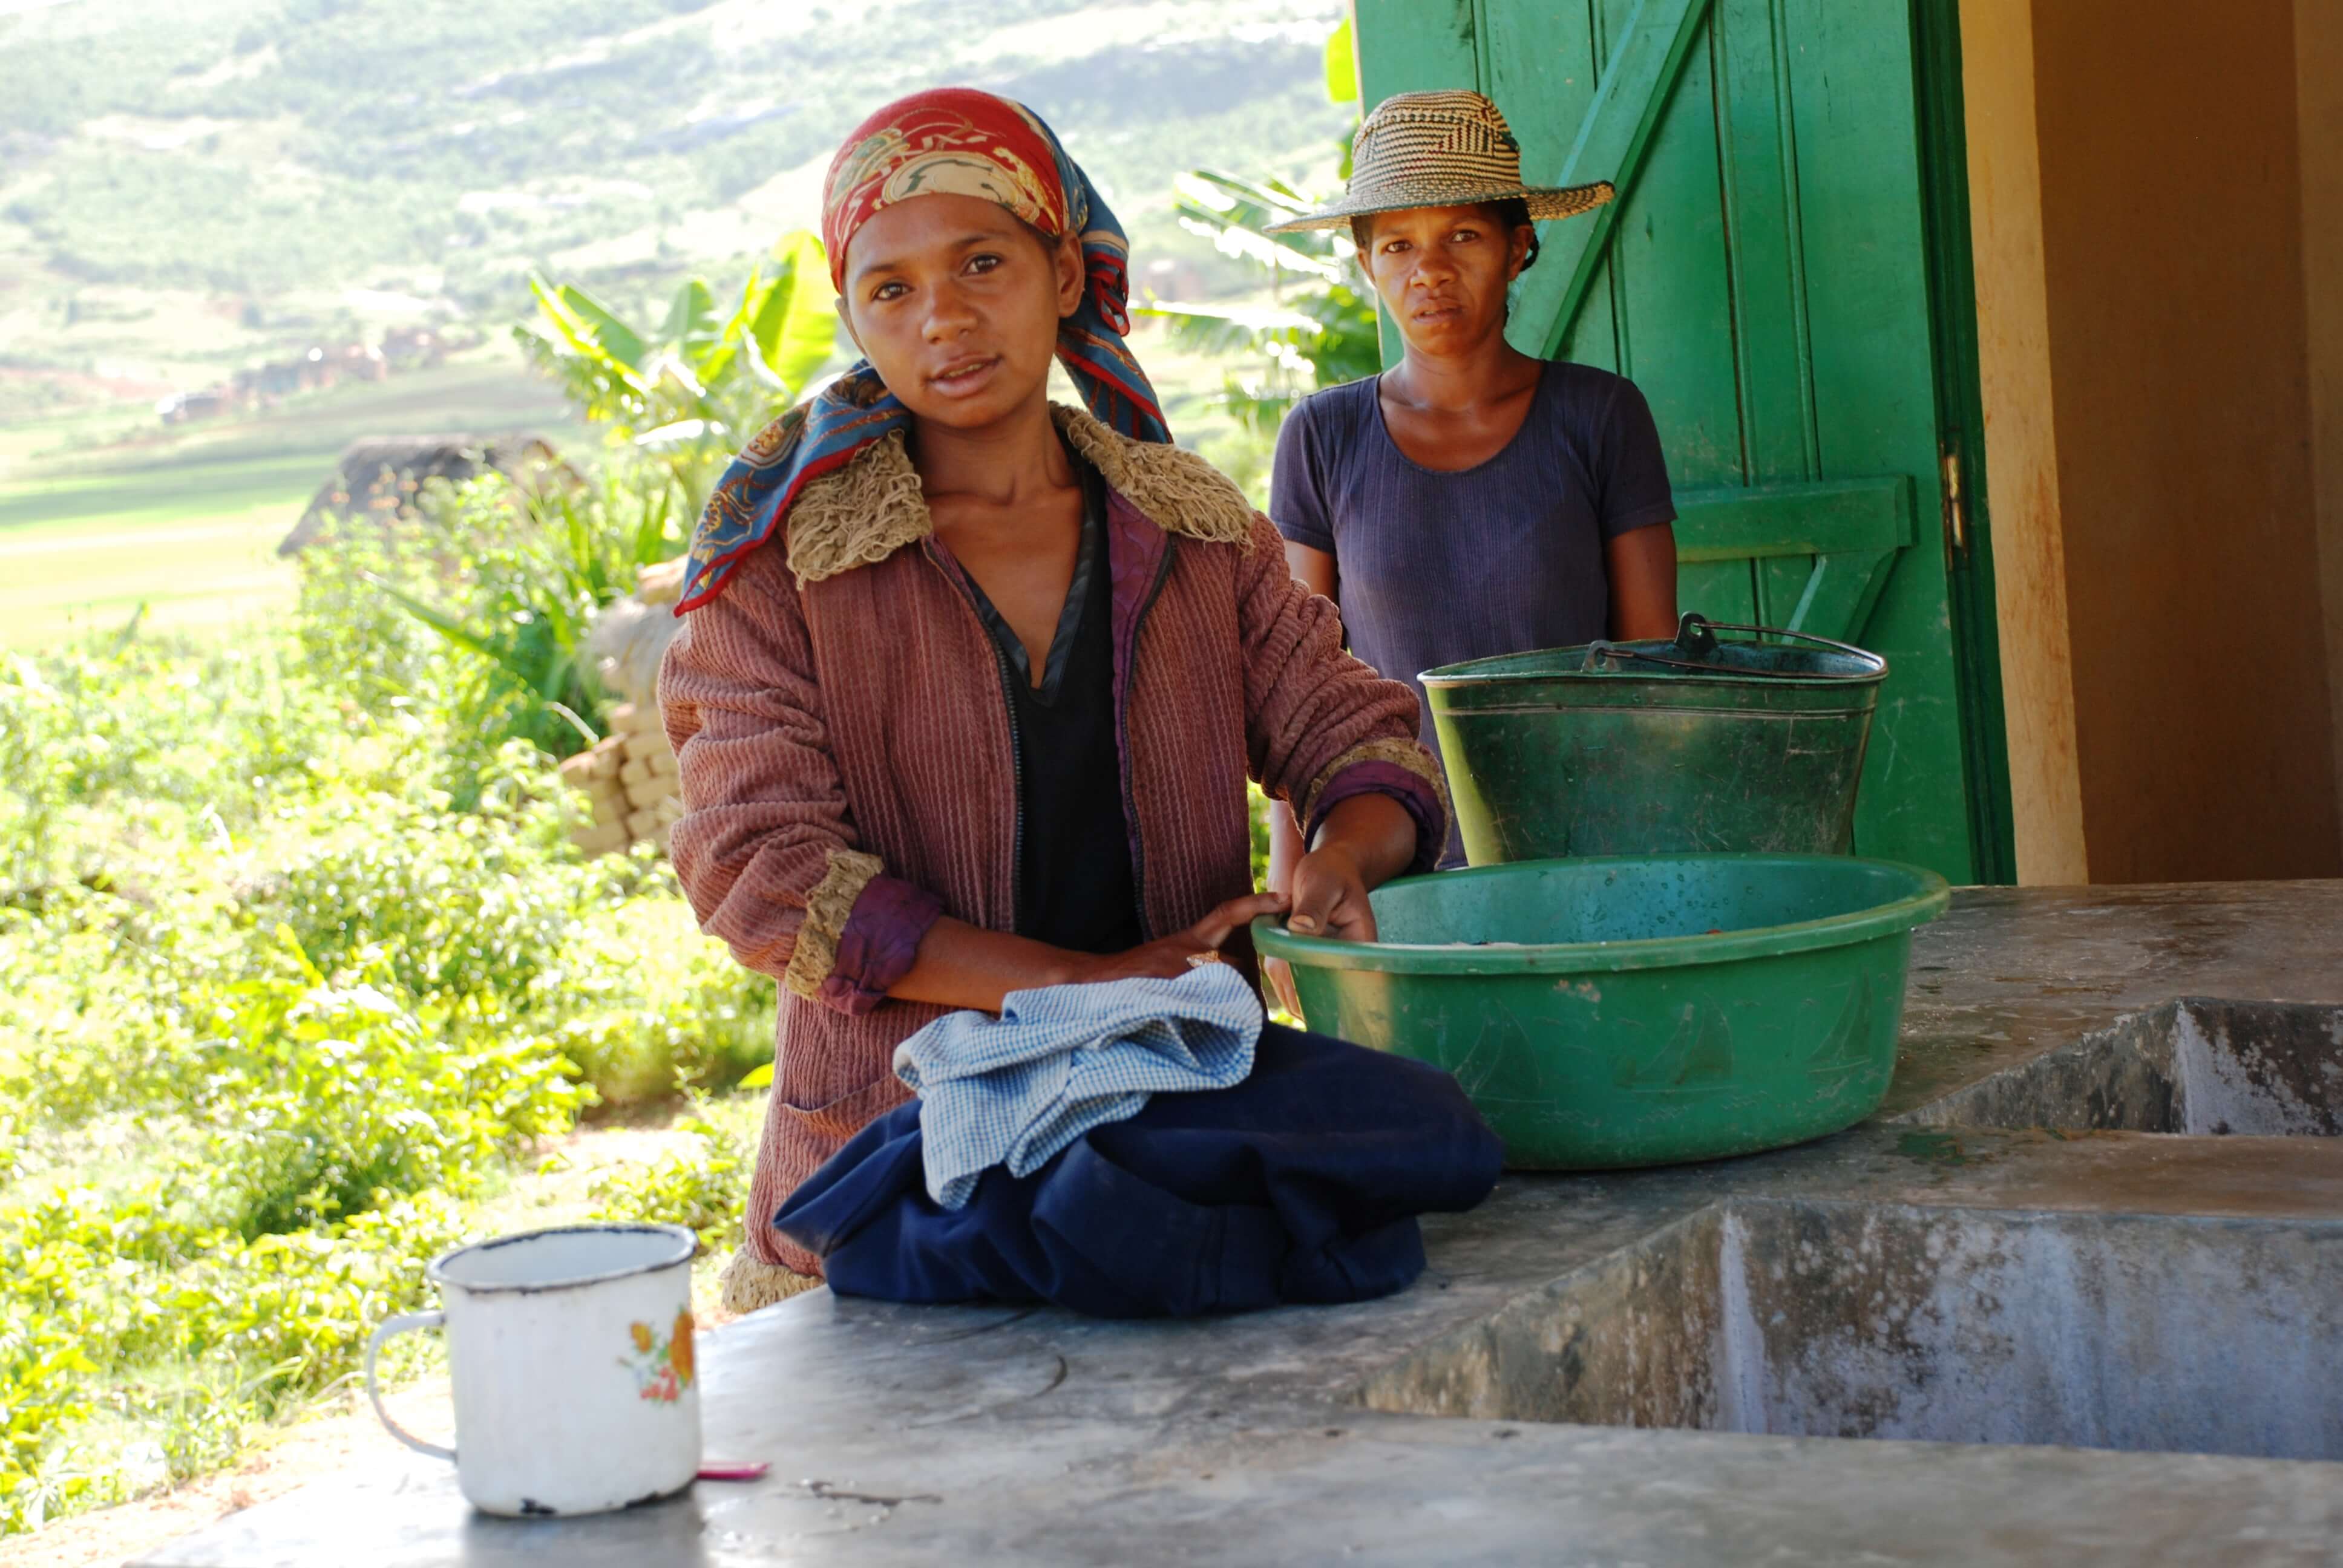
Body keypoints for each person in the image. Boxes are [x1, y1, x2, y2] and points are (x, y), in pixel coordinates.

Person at [660, 88, 1454, 1310]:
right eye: (893, 289)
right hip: (903, 1153)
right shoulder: (782, 570)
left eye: (983, 262)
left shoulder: (1189, 529)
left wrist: (1350, 850)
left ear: (1065, 271)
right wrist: (1084, 987)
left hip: (1174, 1113)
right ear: (854, 315)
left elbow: (1350, 729)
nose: (945, 319)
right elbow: (761, 868)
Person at [1258, 91, 1680, 1003]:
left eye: (1464, 238)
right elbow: (1298, 687)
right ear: (1368, 262)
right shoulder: (1323, 437)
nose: (1430, 272)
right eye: (1399, 245)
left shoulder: (1600, 418)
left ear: (1519, 245)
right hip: (1385, 876)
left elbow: (1652, 672)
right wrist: (1293, 892)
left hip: (1577, 867)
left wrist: (1656, 883)